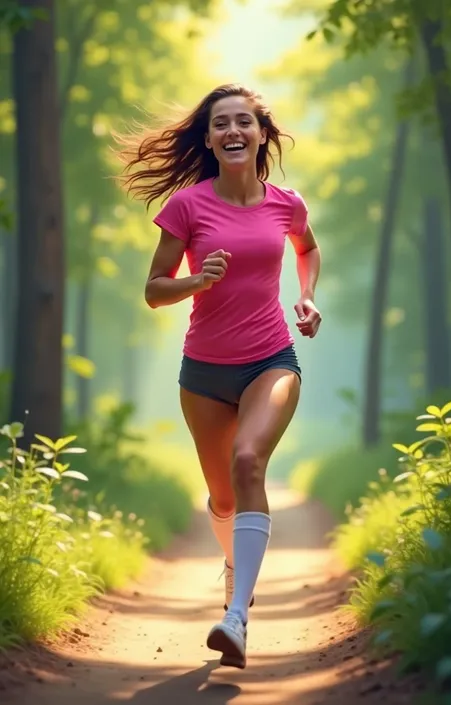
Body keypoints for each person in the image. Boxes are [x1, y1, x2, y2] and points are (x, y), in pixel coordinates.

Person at [116, 83, 322, 670]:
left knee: (250, 459)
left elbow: (307, 249)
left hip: (271, 360)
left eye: (244, 122)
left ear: (261, 134)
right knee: (224, 496)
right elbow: (154, 290)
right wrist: (195, 282)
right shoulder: (187, 206)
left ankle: (236, 617)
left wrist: (307, 298)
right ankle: (236, 567)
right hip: (203, 373)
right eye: (221, 124)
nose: (233, 131)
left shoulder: (287, 203)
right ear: (208, 139)